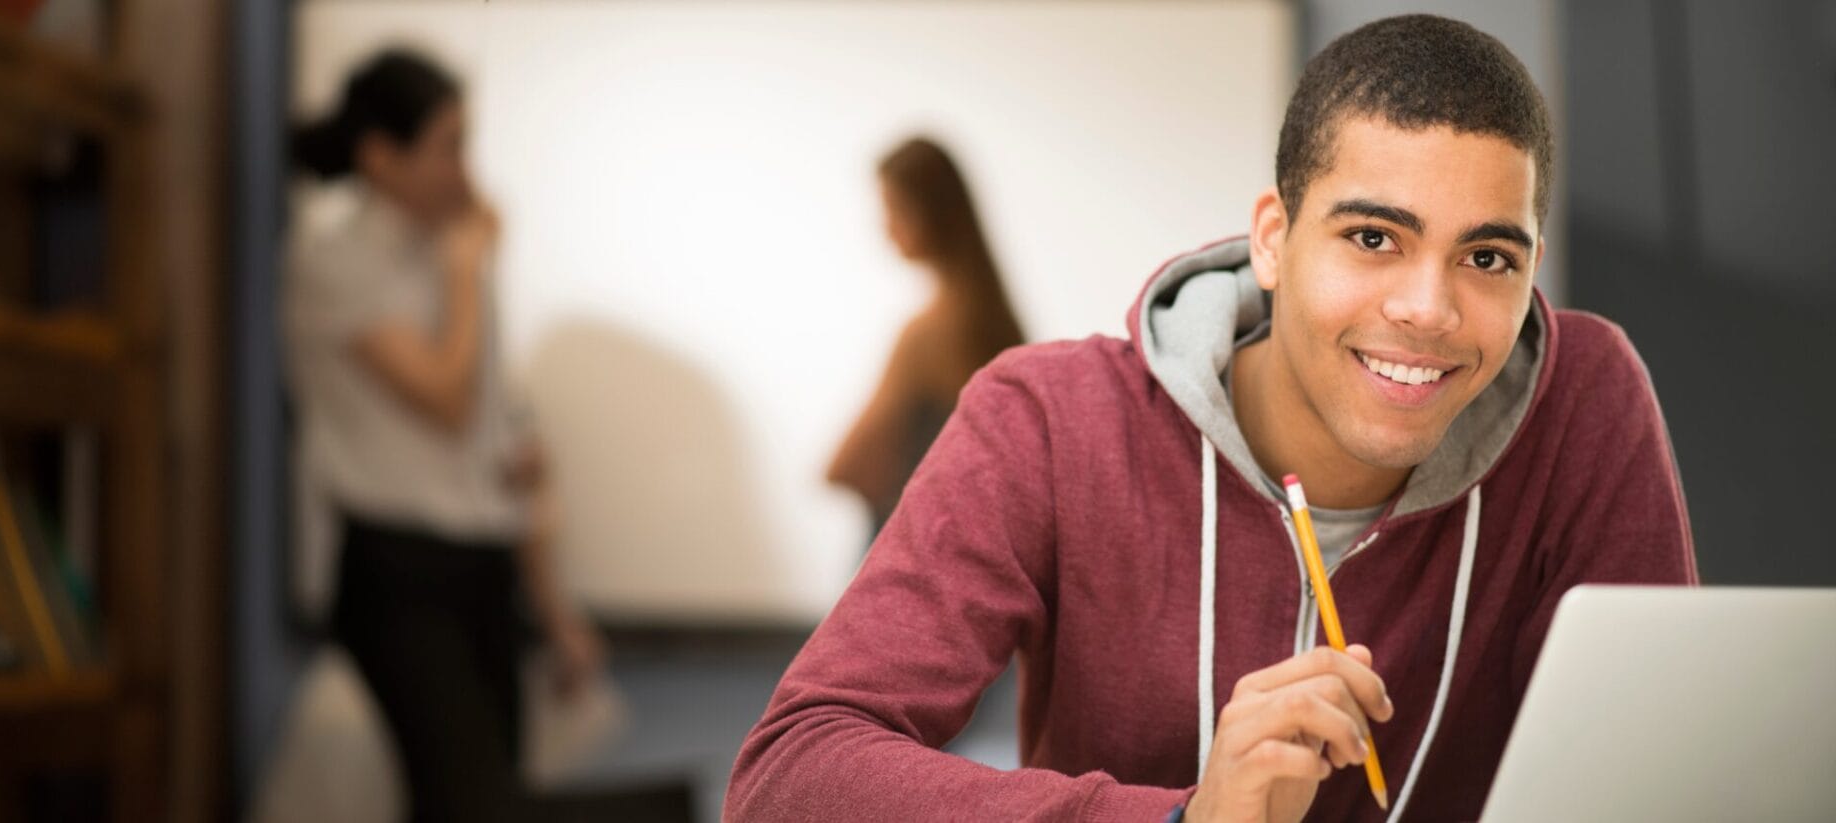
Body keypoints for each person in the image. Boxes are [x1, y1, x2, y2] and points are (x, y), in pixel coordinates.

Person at [727, 15, 1696, 823]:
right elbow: (789, 775)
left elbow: (1669, 778)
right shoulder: (1050, 418)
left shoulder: (1587, 399)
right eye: (1372, 237)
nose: (1430, 310)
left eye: (1487, 258)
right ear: (1273, 239)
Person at [283, 49, 663, 823]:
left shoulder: (453, 255)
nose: (466, 169)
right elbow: (445, 397)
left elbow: (493, 439)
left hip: (484, 566)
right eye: (448, 145)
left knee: (489, 797)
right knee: (473, 803)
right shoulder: (335, 259)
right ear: (380, 158)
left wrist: (555, 608)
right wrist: (465, 273)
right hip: (398, 569)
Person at [827, 137, 1025, 536]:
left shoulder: (928, 332)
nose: (885, 228)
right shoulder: (1004, 328)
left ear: (935, 214)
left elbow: (845, 466)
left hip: (909, 544)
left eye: (894, 209)